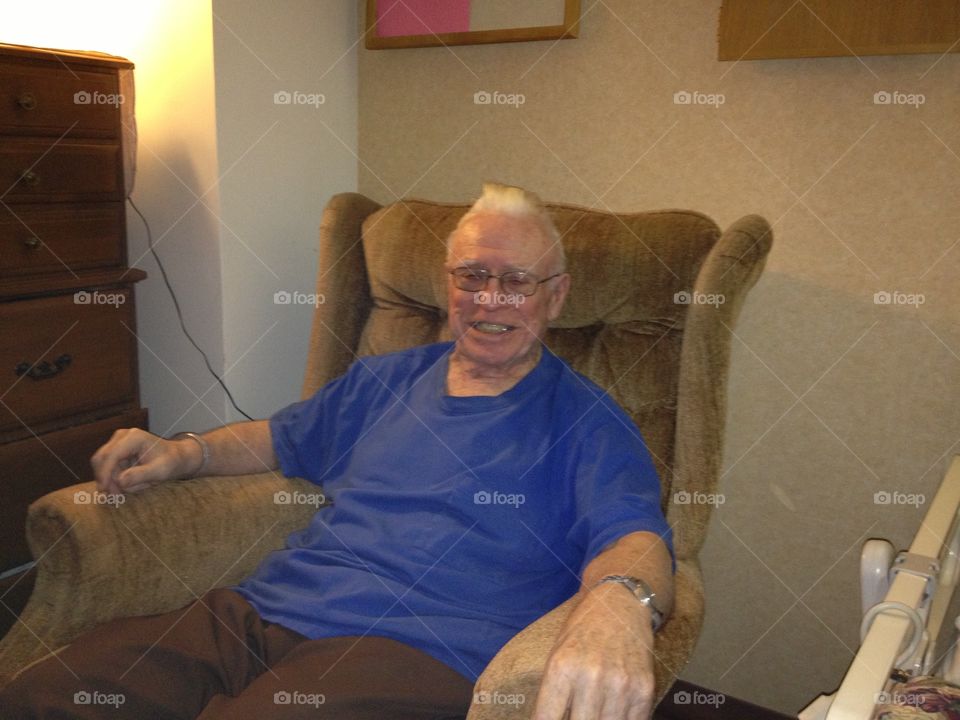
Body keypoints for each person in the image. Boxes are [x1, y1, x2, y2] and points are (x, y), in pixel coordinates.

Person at [2, 183, 674, 720]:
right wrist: (184, 453)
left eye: (516, 281)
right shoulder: (386, 379)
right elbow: (278, 435)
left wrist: (623, 603)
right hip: (257, 616)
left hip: (414, 652)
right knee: (51, 694)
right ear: (448, 285)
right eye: (471, 275)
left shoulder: (587, 421)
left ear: (555, 295)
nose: (488, 298)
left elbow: (636, 535)